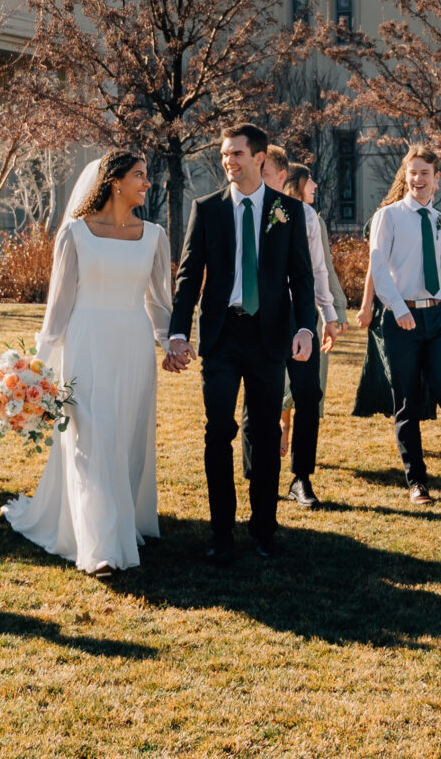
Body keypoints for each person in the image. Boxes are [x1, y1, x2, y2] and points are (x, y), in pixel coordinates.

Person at [4, 152, 171, 575]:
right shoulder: (75, 235)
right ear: (114, 182)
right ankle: (98, 547)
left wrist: (171, 343)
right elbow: (59, 306)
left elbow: (159, 303)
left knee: (127, 440)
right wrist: (36, 369)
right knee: (90, 439)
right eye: (139, 175)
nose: (146, 184)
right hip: (86, 343)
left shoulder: (154, 235)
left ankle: (119, 522)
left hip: (133, 348)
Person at [165, 121, 316, 561]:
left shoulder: (288, 210)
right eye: (225, 154)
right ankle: (220, 532)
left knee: (267, 433)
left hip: (270, 337)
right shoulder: (207, 208)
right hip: (222, 336)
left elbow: (301, 279)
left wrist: (304, 328)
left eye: (237, 154)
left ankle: (264, 530)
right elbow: (189, 276)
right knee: (218, 432)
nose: (228, 162)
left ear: (260, 158)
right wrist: (178, 333)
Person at [366, 144, 441, 504]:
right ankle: (417, 482)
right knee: (407, 402)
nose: (417, 179)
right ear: (405, 175)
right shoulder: (389, 217)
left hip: (437, 318)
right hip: (402, 320)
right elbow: (379, 269)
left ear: (436, 179)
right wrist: (398, 308)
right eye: (412, 172)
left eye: (424, 173)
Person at [242, 150, 346, 510]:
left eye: (264, 169)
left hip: (299, 316)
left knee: (307, 393)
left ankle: (301, 477)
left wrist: (328, 316)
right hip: (257, 316)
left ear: (281, 174)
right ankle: (258, 475)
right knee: (258, 395)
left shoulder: (306, 215)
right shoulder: (245, 210)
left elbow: (318, 270)